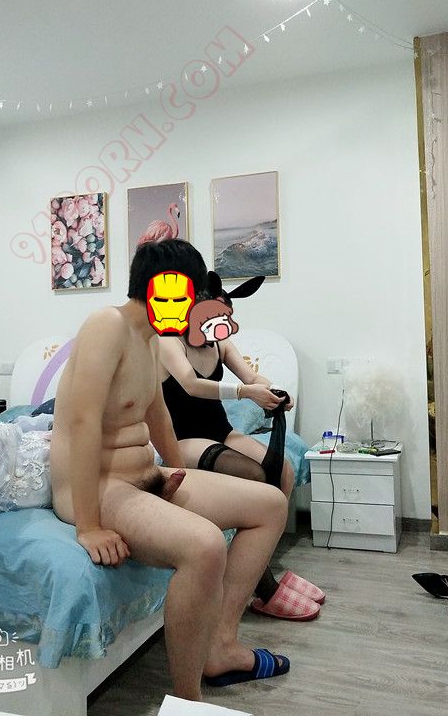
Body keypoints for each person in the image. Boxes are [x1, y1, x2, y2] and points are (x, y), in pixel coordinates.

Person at [49, 239, 291, 701]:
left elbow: (158, 415)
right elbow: (82, 424)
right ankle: (186, 699)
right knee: (205, 545)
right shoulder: (107, 325)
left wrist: (179, 474)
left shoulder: (151, 340)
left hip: (146, 477)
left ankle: (220, 647)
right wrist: (89, 527)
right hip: (103, 488)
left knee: (270, 505)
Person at [158, 243, 325, 621]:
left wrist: (273, 391)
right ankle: (265, 587)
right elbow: (191, 385)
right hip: (184, 437)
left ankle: (257, 572)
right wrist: (246, 393)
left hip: (220, 429)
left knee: (282, 470)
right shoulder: (168, 340)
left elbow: (252, 377)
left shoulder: (220, 342)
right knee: (253, 476)